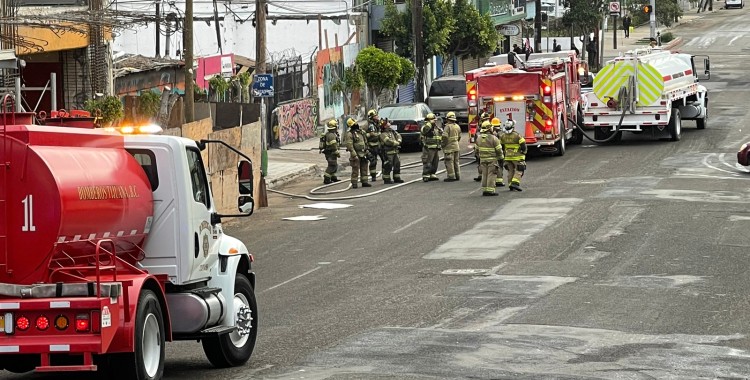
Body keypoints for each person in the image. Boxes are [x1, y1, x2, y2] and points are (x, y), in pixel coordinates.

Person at [473, 121, 504, 196]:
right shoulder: (494, 138)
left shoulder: (479, 138)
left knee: (484, 174)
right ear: (489, 129)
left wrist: (479, 157)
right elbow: (499, 150)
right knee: (491, 174)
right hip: (492, 160)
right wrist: (501, 159)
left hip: (483, 160)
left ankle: (485, 189)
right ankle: (490, 190)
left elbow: (476, 150)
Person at [500, 120, 527, 191]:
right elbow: (523, 145)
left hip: (507, 157)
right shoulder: (517, 135)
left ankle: (510, 185)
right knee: (519, 169)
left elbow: (501, 146)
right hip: (517, 157)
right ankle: (515, 183)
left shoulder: (502, 136)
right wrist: (524, 151)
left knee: (510, 170)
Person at [345, 117, 371, 188]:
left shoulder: (361, 132)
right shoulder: (350, 134)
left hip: (363, 153)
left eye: (356, 123)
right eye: (354, 124)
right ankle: (354, 183)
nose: (356, 125)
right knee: (355, 169)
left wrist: (367, 150)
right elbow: (349, 146)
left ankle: (365, 182)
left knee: (364, 168)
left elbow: (365, 141)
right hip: (356, 154)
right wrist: (354, 155)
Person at [378, 118, 404, 184]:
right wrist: (396, 143)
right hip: (387, 152)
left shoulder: (392, 132)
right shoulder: (383, 134)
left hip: (395, 151)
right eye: (387, 124)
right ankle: (387, 179)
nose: (389, 125)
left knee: (397, 164)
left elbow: (399, 136)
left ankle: (397, 178)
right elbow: (387, 142)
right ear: (384, 126)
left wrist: (399, 141)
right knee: (388, 165)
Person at [420, 113, 442, 182]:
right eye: (433, 120)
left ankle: (432, 174)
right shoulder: (425, 127)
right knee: (427, 161)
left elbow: (438, 136)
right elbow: (425, 131)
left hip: (435, 147)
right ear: (429, 120)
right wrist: (429, 123)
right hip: (428, 148)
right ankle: (426, 175)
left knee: (435, 161)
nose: (435, 121)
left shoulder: (435, 127)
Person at [441, 111, 462, 182]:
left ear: (447, 119)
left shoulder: (447, 127)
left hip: (449, 148)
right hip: (456, 147)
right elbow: (459, 137)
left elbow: (444, 137)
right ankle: (457, 175)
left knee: (449, 162)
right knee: (456, 162)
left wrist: (443, 144)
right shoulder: (457, 126)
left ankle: (451, 176)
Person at [320, 119, 341, 184]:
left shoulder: (331, 134)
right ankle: (326, 179)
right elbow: (333, 146)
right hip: (330, 153)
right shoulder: (331, 135)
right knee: (332, 165)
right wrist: (337, 153)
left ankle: (333, 178)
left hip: (331, 153)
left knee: (334, 165)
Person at [365, 109, 383, 182]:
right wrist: (379, 134)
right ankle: (373, 176)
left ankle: (385, 175)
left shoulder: (377, 124)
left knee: (385, 159)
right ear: (372, 117)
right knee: (373, 161)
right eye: (375, 116)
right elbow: (373, 135)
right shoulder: (370, 125)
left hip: (379, 145)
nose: (377, 117)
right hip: (372, 146)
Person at [474, 112, 492, 182]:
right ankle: (480, 175)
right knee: (480, 162)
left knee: (482, 162)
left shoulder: (487, 126)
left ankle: (483, 175)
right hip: (482, 145)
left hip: (484, 145)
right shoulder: (486, 125)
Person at [490, 118, 506, 188]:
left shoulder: (490, 132)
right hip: (499, 150)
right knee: (500, 165)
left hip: (491, 152)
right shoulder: (501, 132)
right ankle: (499, 181)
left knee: (492, 167)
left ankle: (493, 181)